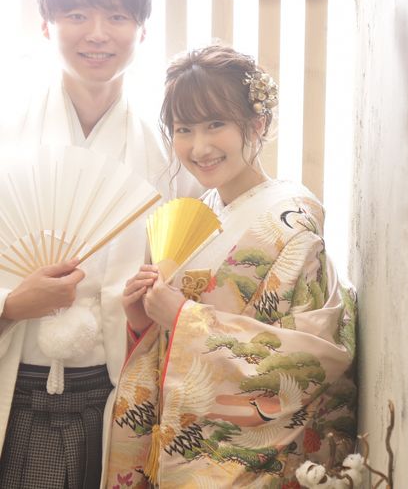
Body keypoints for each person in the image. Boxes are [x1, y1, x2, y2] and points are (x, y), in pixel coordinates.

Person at [107, 45, 357, 487]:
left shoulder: (292, 224)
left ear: (257, 123)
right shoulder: (203, 212)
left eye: (215, 124)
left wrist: (183, 319)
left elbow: (308, 357)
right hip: (183, 440)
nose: (198, 146)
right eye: (184, 129)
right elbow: (174, 337)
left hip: (245, 458)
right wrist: (145, 322)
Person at [0, 0, 197, 489]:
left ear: (142, 29)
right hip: (17, 379)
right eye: (76, 15)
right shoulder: (6, 129)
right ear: (46, 26)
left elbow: (188, 268)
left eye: (116, 16)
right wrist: (11, 304)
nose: (97, 33)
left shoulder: (169, 149)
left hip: (121, 387)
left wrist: (147, 311)